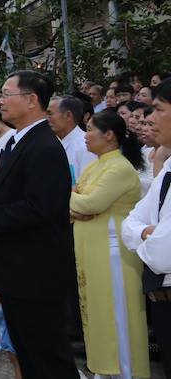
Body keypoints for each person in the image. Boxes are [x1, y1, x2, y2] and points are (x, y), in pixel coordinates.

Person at [0, 70, 78, 379]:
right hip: (17, 273)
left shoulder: (44, 147)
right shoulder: (19, 141)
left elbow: (40, 208)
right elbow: (12, 196)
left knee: (48, 358)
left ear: (31, 100)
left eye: (6, 94)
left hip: (35, 273)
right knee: (28, 356)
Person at [68, 109, 148, 378]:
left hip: (112, 255)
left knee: (117, 316)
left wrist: (74, 200)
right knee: (96, 314)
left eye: (90, 129)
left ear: (110, 135)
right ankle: (103, 370)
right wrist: (75, 202)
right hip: (92, 250)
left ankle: (124, 372)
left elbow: (91, 203)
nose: (86, 135)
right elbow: (75, 200)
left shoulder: (120, 168)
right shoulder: (96, 164)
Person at [123, 78, 171, 378]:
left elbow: (163, 254)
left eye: (158, 109)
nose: (149, 119)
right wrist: (145, 233)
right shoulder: (167, 167)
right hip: (161, 299)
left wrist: (150, 236)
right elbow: (131, 221)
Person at [46, 95, 93, 184]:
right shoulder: (52, 143)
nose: (46, 118)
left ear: (68, 115)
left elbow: (86, 186)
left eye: (50, 113)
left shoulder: (85, 146)